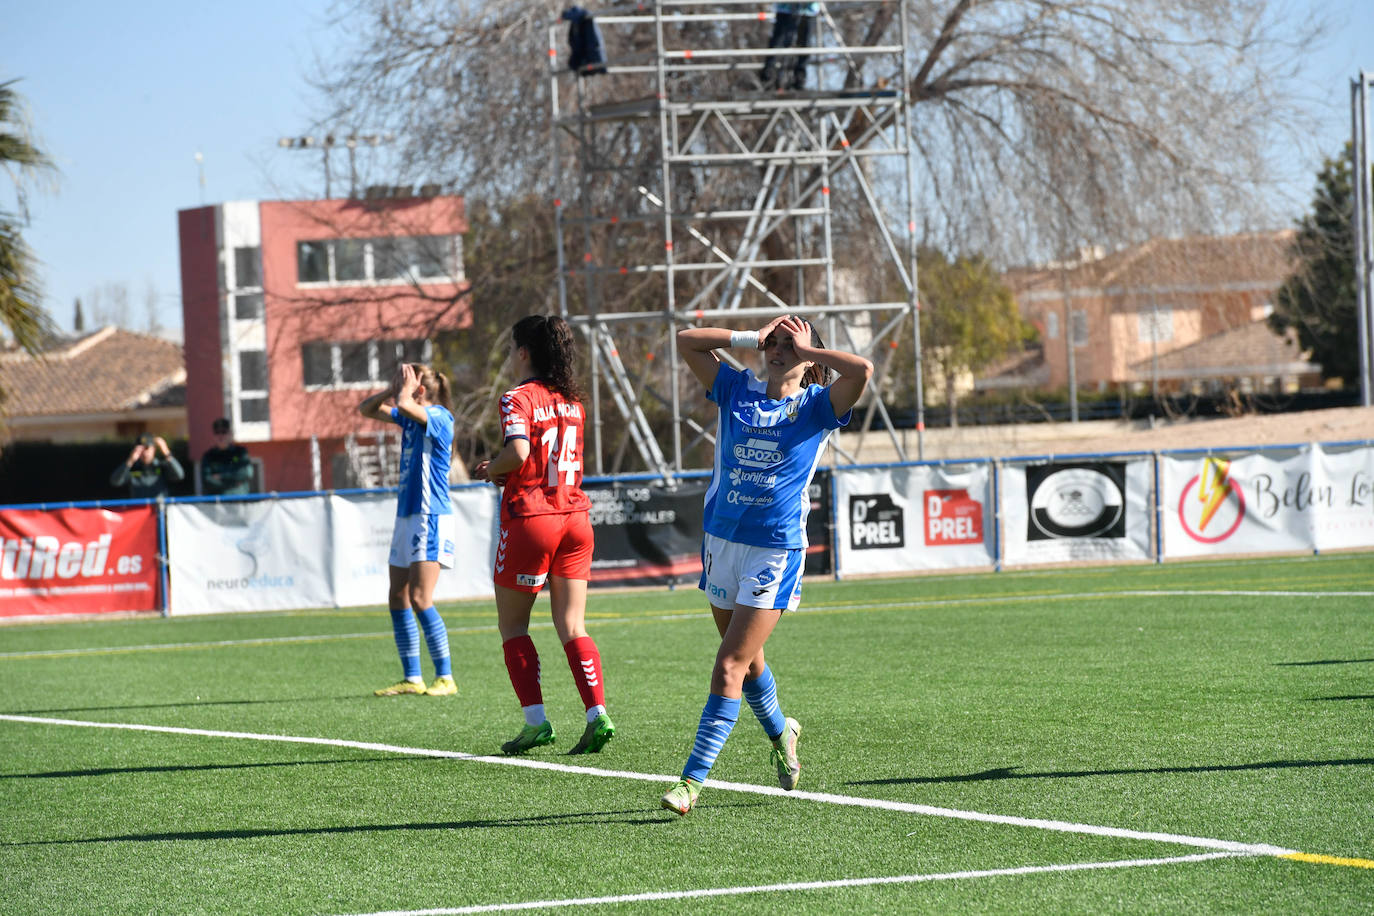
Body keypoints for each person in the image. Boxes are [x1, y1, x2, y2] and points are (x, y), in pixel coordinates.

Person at [660, 314, 872, 815]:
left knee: (730, 664)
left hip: (775, 549)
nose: (778, 350)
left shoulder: (818, 406)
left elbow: (861, 370)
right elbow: (686, 341)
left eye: (788, 346)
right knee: (748, 660)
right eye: (773, 343)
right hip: (722, 541)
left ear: (807, 359)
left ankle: (690, 782)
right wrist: (746, 338)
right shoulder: (736, 388)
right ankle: (782, 731)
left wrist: (812, 351)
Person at [472, 315, 614, 756]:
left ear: (524, 352)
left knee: (513, 624)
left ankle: (536, 722)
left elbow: (518, 452)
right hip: (575, 517)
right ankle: (597, 714)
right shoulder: (573, 402)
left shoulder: (518, 397)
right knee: (572, 624)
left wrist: (489, 469)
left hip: (533, 519)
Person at [357, 362, 459, 698]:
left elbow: (404, 405)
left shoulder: (441, 417)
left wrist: (402, 395)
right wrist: (390, 389)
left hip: (430, 516)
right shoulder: (408, 416)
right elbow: (366, 409)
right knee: (397, 595)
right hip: (406, 516)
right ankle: (412, 677)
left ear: (420, 390)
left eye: (407, 383)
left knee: (419, 597)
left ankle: (445, 676)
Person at [760, 2, 820, 91]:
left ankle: (800, 78)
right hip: (785, 9)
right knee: (778, 41)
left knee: (805, 44)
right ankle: (768, 75)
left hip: (808, 11)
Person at [109, 434, 185, 499]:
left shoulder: (161, 466)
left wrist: (166, 453)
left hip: (159, 512)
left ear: (154, 449)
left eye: (147, 448)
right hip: (139, 513)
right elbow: (116, 481)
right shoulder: (132, 468)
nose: (144, 453)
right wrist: (130, 461)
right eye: (141, 449)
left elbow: (179, 475)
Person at [199, 417, 254, 497]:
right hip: (216, 504)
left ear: (230, 434)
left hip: (239, 501)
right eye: (217, 432)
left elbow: (246, 473)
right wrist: (234, 483)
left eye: (224, 432)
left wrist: (221, 476)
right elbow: (207, 480)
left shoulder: (240, 453)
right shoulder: (208, 456)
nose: (220, 436)